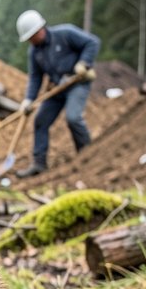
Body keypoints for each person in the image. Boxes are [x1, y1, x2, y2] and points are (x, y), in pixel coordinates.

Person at [14, 10, 100, 178]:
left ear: (40, 29)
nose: (31, 41)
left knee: (73, 118)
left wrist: (84, 62)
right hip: (56, 88)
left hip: (77, 84)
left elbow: (93, 43)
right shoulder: (34, 52)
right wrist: (28, 99)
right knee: (40, 121)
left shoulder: (65, 34)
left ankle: (87, 155)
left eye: (32, 36)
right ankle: (39, 163)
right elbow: (35, 77)